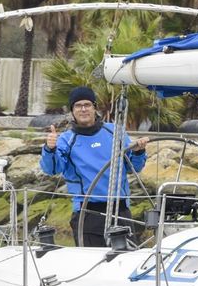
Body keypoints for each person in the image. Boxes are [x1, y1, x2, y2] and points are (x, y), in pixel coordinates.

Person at [40, 84, 150, 248]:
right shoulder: (66, 140)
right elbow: (52, 169)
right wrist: (50, 148)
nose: (83, 109)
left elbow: (133, 167)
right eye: (78, 106)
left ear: (94, 108)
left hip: (120, 210)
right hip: (88, 213)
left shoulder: (115, 131)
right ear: (72, 111)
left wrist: (139, 152)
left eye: (87, 105)